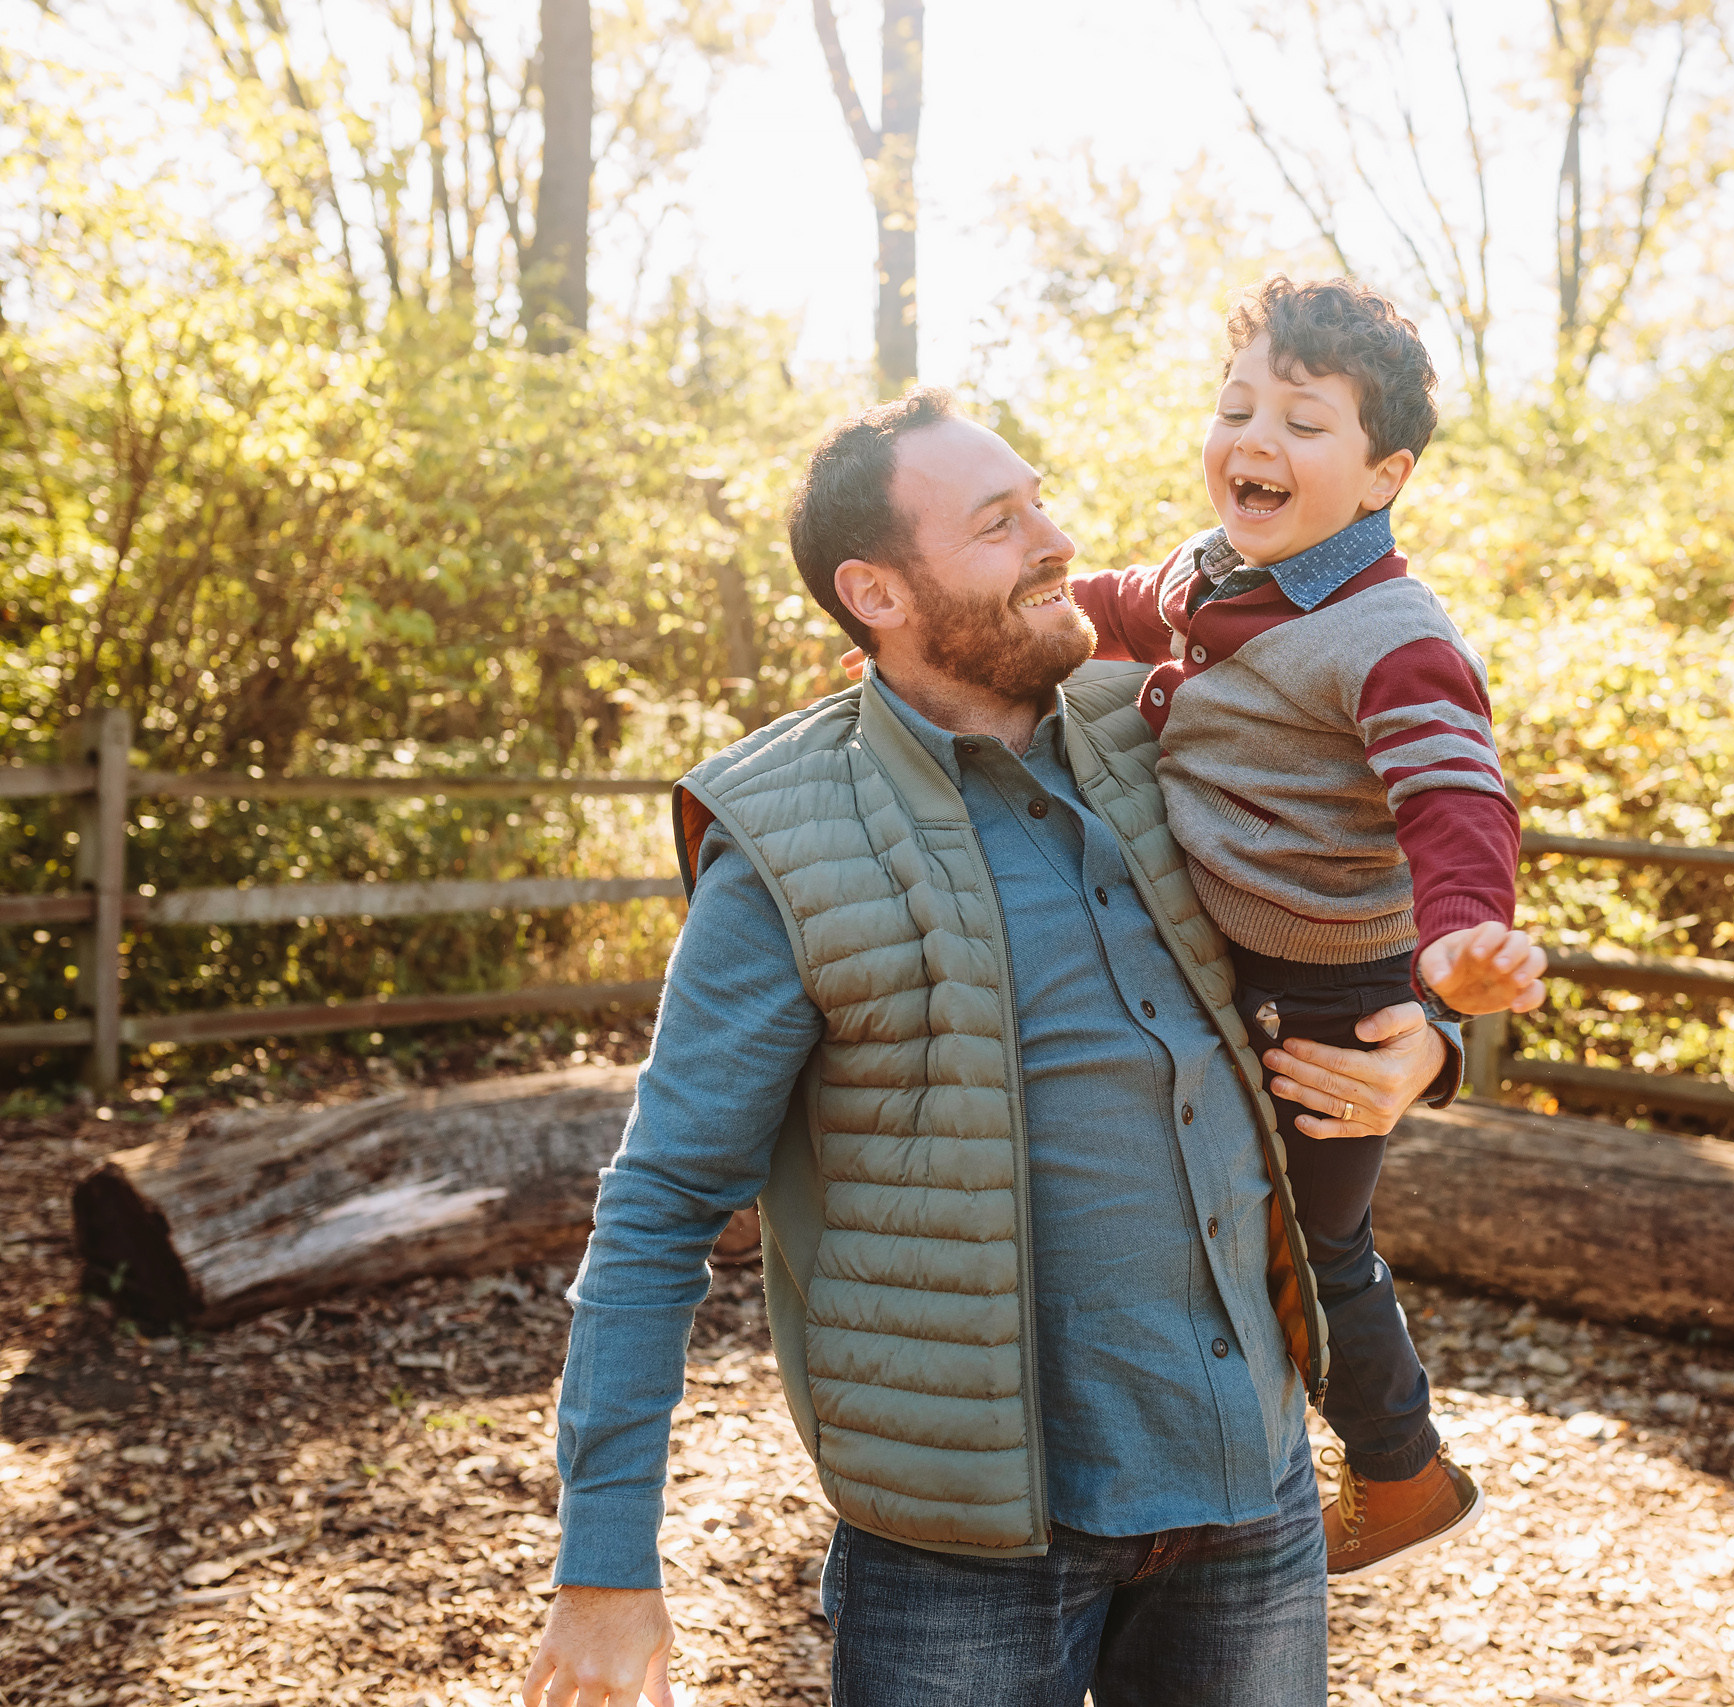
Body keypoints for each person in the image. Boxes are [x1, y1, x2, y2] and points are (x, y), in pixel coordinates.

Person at [522, 388, 1465, 1707]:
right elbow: (661, 1206)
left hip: (1249, 1505)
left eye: (1041, 499)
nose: (1056, 537)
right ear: (881, 593)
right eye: (998, 523)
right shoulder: (784, 842)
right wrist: (605, 1570)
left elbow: (1392, 864)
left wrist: (1435, 1041)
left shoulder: (1171, 724)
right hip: (960, 1560)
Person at [1067, 276, 1546, 1579]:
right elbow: (1112, 607)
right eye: (1237, 408)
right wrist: (986, 640)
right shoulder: (1210, 569)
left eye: (1302, 421)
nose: (1254, 440)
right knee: (1203, 1209)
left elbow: (1454, 794)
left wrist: (1460, 936)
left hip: (1334, 986)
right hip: (1234, 959)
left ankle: (1401, 1472)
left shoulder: (1390, 634)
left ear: (1383, 472)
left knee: (1308, 1240)